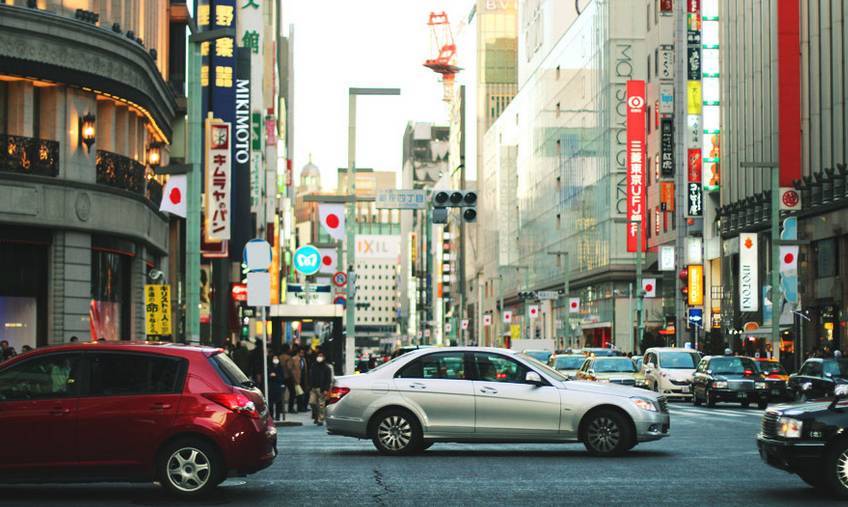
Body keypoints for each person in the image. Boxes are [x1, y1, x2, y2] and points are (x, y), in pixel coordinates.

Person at [308, 351, 333, 426]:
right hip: (313, 388)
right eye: (318, 356)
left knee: (321, 405)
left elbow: (328, 380)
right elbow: (310, 376)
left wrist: (326, 389)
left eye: (321, 356)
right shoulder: (313, 366)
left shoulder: (327, 368)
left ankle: (320, 419)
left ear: (324, 357)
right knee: (312, 403)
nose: (319, 357)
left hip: (322, 389)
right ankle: (316, 416)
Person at [268, 353, 286, 421]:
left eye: (276, 358)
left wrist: (276, 376)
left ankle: (278, 416)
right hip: (271, 387)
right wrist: (270, 376)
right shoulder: (269, 367)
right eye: (274, 358)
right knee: (271, 403)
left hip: (278, 387)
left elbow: (282, 378)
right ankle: (272, 416)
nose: (275, 360)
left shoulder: (280, 368)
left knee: (278, 402)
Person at [279, 344, 296, 413]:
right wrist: (293, 376)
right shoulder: (288, 357)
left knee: (280, 393)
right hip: (288, 377)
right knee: (292, 392)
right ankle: (290, 408)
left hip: (280, 376)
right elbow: (289, 368)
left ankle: (280, 408)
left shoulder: (279, 357)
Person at [296, 347, 310, 412]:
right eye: (301, 352)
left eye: (303, 353)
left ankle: (304, 407)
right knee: (299, 395)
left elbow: (305, 369)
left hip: (304, 379)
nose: (302, 354)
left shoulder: (304, 359)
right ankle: (300, 407)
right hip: (297, 379)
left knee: (305, 393)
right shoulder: (294, 359)